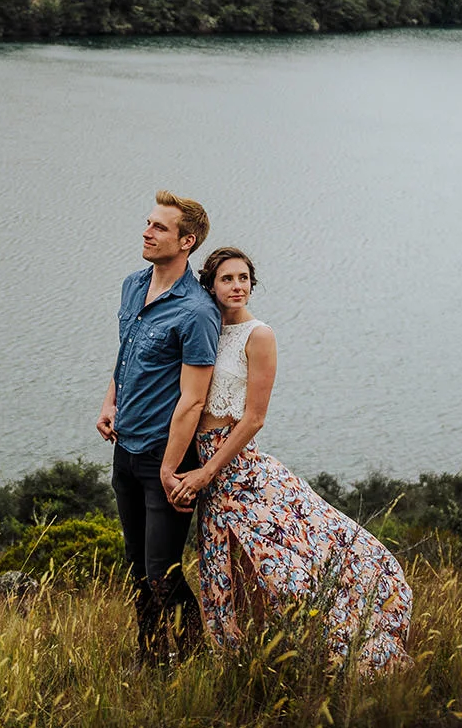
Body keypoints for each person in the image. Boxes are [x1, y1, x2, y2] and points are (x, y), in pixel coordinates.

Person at [171, 247, 413, 672]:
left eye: (244, 278)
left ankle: (322, 650)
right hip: (205, 472)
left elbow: (254, 418)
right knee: (228, 569)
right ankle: (248, 661)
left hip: (236, 468)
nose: (238, 286)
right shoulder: (204, 327)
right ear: (210, 284)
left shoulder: (258, 335)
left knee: (279, 569)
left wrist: (208, 470)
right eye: (227, 279)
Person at [96, 191, 220, 663]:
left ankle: (195, 659)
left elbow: (193, 399)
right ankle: (149, 658)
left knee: (161, 572)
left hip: (165, 460)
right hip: (124, 451)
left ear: (186, 242)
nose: (146, 232)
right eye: (148, 223)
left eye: (159, 228)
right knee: (136, 568)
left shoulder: (197, 311)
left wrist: (169, 469)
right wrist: (109, 403)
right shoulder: (132, 285)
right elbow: (126, 354)